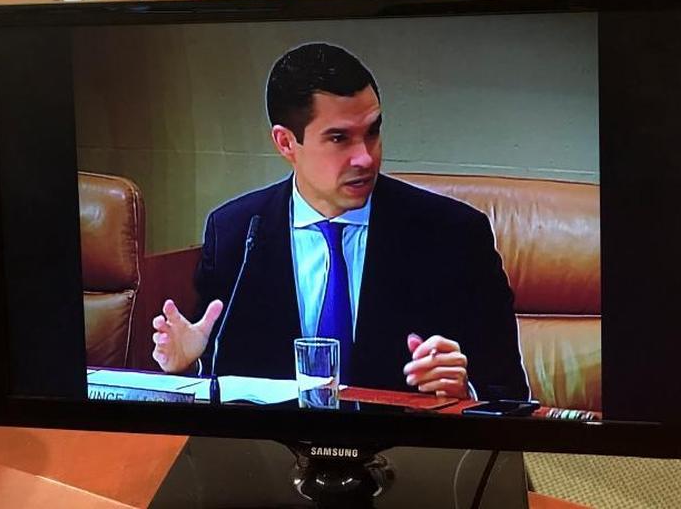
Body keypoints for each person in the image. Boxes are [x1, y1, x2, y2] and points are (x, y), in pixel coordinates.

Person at [151, 42, 530, 401]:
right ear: (286, 143)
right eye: (339, 139)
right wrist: (191, 366)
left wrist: (465, 392)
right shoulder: (235, 234)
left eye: (373, 132)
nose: (365, 158)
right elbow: (225, 388)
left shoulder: (454, 236)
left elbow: (511, 393)